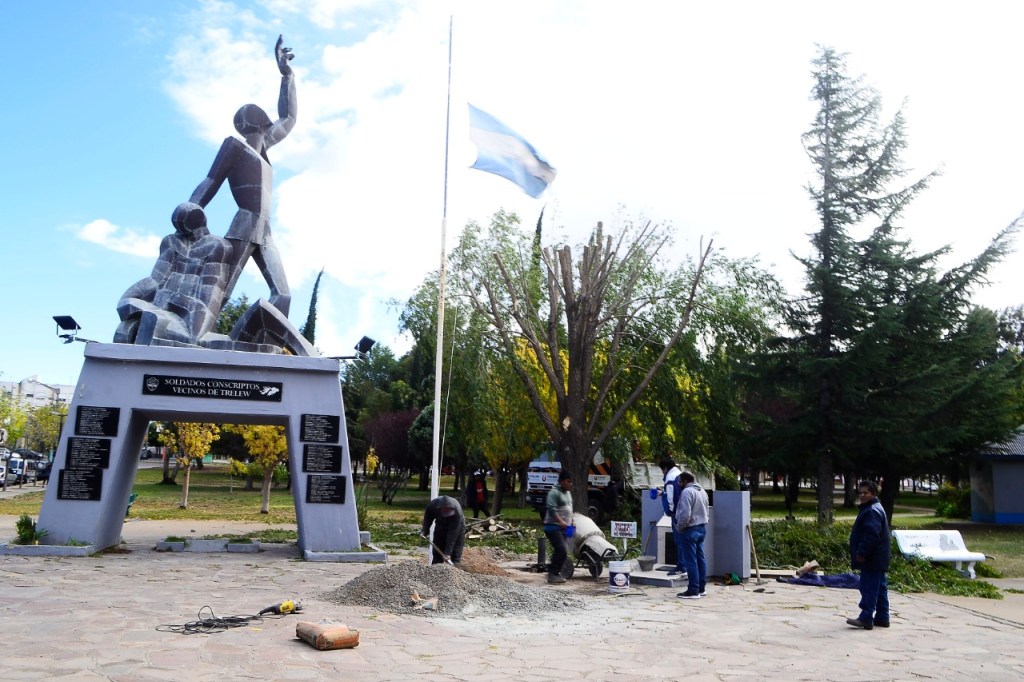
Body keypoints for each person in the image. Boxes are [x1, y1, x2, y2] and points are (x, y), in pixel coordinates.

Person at [186, 35, 296, 317]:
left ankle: (254, 339)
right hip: (244, 225)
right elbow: (211, 181)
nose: (271, 119)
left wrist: (287, 77)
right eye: (263, 115)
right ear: (254, 121)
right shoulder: (234, 147)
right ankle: (193, 332)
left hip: (265, 231)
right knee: (220, 292)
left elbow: (289, 118)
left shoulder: (265, 148)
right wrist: (189, 215)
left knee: (283, 295)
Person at [846, 480, 891, 629]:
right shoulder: (875, 508)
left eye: (866, 493)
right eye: (860, 493)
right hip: (879, 557)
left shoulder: (872, 510)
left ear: (873, 493)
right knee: (880, 588)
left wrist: (862, 553)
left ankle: (866, 617)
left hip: (872, 557)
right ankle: (882, 617)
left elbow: (871, 535)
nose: (862, 495)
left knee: (869, 587)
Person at [674, 471, 709, 599]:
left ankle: (693, 590)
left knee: (690, 561)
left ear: (684, 481)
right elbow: (707, 510)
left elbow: (684, 514)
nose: (678, 484)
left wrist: (679, 528)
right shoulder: (702, 491)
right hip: (701, 528)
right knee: (700, 559)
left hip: (689, 529)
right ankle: (701, 588)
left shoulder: (687, 492)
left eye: (679, 481)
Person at [543, 470, 574, 584]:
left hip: (566, 528)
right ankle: (553, 574)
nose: (570, 484)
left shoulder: (568, 493)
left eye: (571, 482)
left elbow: (569, 510)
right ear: (561, 481)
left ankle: (557, 571)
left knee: (566, 549)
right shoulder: (554, 493)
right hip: (553, 527)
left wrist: (572, 521)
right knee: (561, 549)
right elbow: (551, 509)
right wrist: (561, 521)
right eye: (568, 481)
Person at [658, 456, 685, 577]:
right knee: (685, 541)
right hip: (685, 512)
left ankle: (681, 566)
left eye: (662, 470)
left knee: (679, 541)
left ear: (665, 468)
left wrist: (669, 512)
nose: (662, 472)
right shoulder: (680, 474)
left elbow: (672, 499)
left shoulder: (670, 478)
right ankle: (685, 565)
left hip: (677, 514)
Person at [420, 496, 465, 565]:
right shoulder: (432, 506)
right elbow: (428, 518)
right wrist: (424, 530)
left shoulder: (457, 512)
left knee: (455, 554)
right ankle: (435, 570)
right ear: (439, 508)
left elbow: (452, 535)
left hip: (457, 529)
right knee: (437, 552)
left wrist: (447, 553)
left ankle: (455, 571)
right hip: (440, 525)